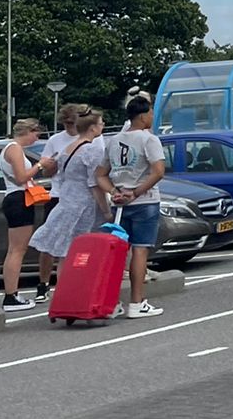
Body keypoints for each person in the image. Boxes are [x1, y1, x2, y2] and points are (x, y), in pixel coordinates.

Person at [93, 95, 167, 320]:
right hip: (144, 201)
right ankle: (137, 302)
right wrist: (136, 192)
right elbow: (158, 171)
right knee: (140, 250)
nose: (153, 116)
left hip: (120, 204)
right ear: (143, 116)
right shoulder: (149, 139)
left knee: (118, 253)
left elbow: (100, 174)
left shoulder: (113, 140)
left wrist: (114, 191)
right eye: (151, 113)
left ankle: (112, 302)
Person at [29, 106, 107, 277]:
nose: (103, 126)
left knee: (66, 251)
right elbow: (94, 182)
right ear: (92, 127)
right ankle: (76, 286)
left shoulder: (70, 147)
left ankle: (63, 287)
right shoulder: (92, 149)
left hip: (67, 200)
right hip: (83, 203)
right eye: (101, 123)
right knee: (81, 249)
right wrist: (106, 209)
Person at [0, 117, 49, 308]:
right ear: (28, 131)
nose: (36, 139)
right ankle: (11, 295)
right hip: (19, 198)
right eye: (36, 134)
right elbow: (21, 177)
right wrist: (40, 165)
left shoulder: (10, 148)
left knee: (15, 249)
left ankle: (12, 294)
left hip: (15, 198)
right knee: (17, 250)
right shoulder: (14, 149)